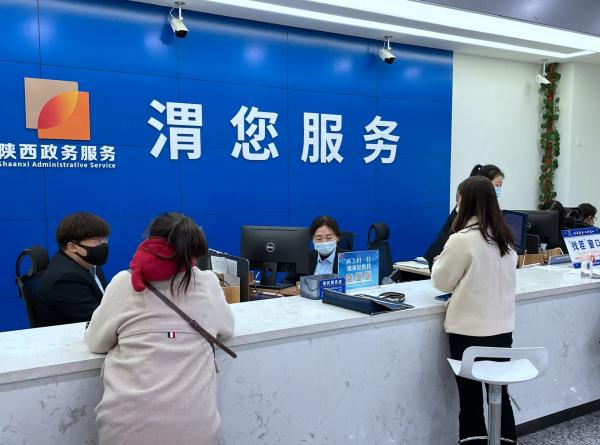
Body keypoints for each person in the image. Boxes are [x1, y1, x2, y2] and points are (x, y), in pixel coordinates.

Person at [85, 212, 234, 445]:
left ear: (149, 241)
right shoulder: (206, 282)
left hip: (127, 429)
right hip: (196, 431)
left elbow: (96, 342)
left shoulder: (125, 283)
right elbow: (227, 329)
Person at [431, 176, 518, 445]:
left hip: (468, 336)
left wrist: (439, 263)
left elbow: (441, 281)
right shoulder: (505, 239)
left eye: (458, 198)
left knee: (470, 401)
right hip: (502, 333)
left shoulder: (461, 240)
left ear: (465, 201)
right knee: (500, 396)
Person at [33, 212, 110, 327]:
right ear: (72, 247)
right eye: (96, 240)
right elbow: (97, 322)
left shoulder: (89, 263)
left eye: (104, 239)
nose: (103, 244)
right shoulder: (65, 279)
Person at [424, 164, 505, 268]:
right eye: (497, 185)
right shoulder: (466, 213)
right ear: (484, 185)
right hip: (441, 260)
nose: (498, 189)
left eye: (501, 186)